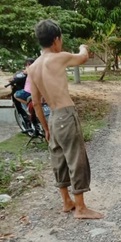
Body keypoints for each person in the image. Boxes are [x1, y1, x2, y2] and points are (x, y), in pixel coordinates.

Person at [28, 19, 103, 219]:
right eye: (60, 40)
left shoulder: (33, 67)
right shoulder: (58, 57)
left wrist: (45, 128)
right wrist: (83, 47)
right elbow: (82, 58)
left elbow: (35, 103)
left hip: (52, 116)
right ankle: (81, 208)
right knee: (76, 159)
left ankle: (66, 201)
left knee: (59, 159)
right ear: (56, 40)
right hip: (66, 114)